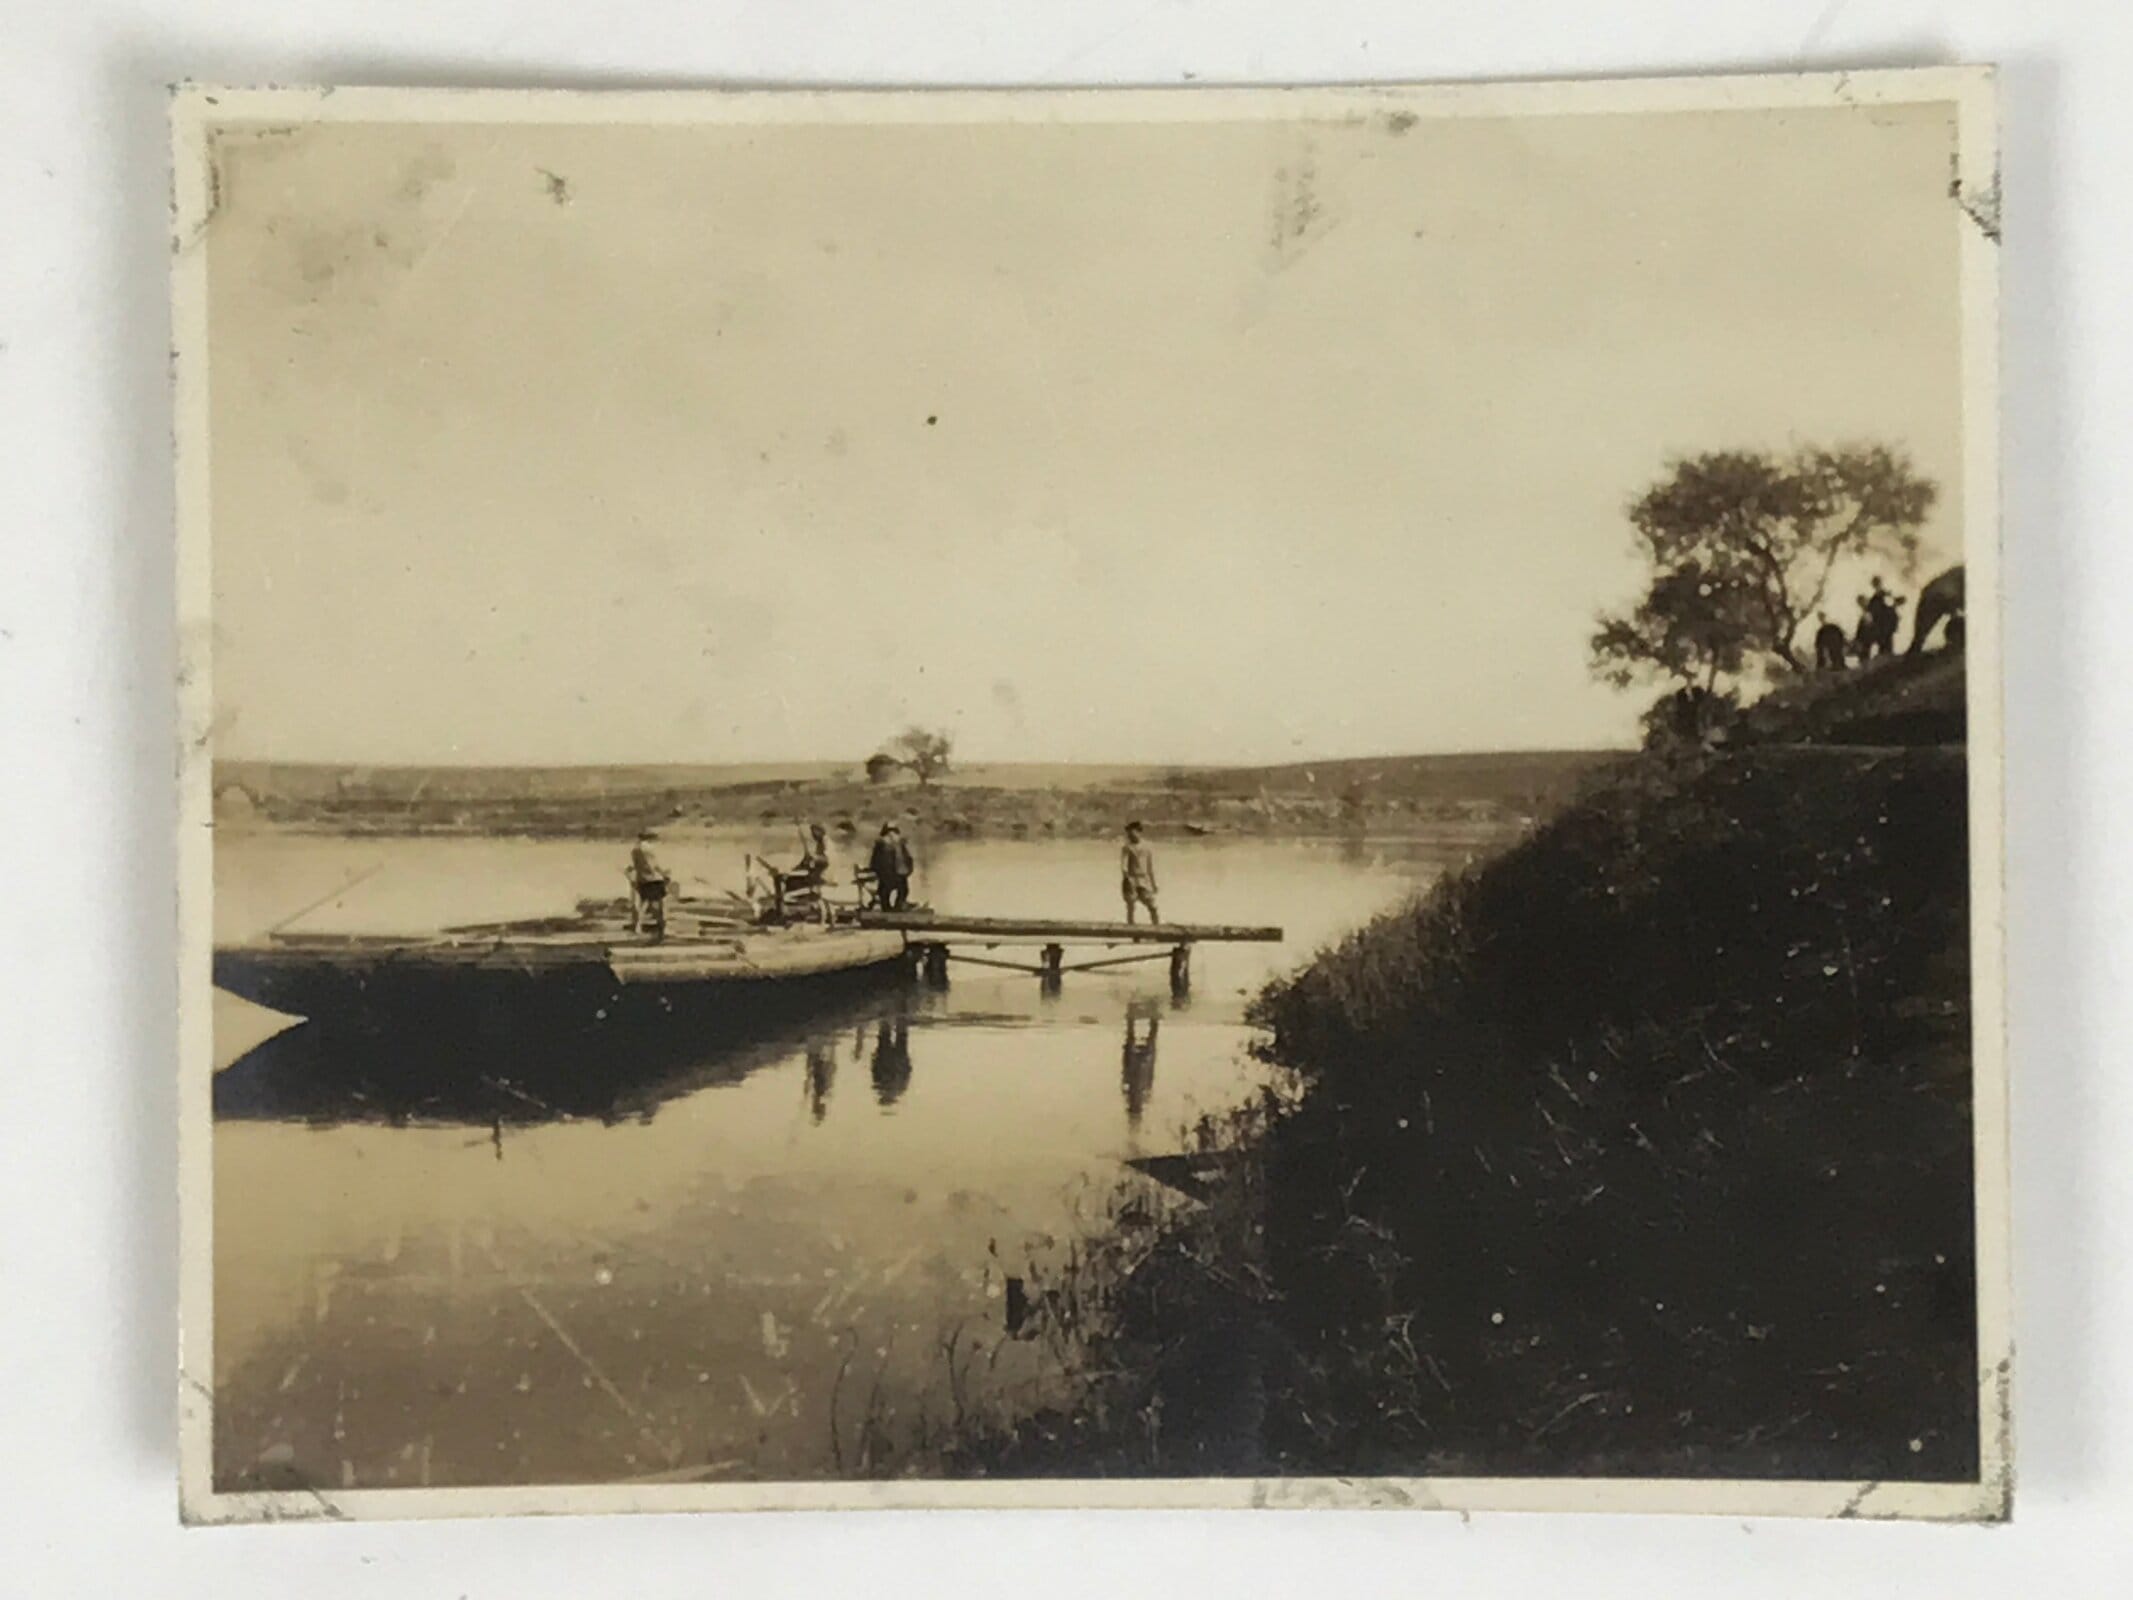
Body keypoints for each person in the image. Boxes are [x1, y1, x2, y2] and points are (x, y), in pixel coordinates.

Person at [626, 829, 672, 935]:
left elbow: (637, 865)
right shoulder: (649, 848)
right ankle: (663, 927)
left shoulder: (635, 850)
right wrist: (664, 874)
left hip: (642, 878)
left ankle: (638, 926)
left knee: (644, 903)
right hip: (654, 878)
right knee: (661, 903)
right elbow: (653, 865)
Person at [868, 821, 916, 910]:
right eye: (889, 832)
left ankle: (898, 906)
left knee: (903, 890)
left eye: (894, 831)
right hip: (886, 875)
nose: (891, 834)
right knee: (886, 892)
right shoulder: (881, 846)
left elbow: (907, 859)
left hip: (897, 874)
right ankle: (889, 908)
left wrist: (907, 870)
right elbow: (876, 862)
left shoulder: (899, 846)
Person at [1120, 821, 1160, 925]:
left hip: (1144, 880)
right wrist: (1126, 878)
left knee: (1153, 906)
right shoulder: (1127, 848)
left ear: (1138, 832)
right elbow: (1124, 865)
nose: (1129, 836)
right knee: (1131, 907)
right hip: (1131, 879)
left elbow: (1150, 868)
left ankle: (1157, 927)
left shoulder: (1147, 847)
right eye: (1128, 833)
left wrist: (1154, 884)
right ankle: (1131, 930)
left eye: (1132, 833)